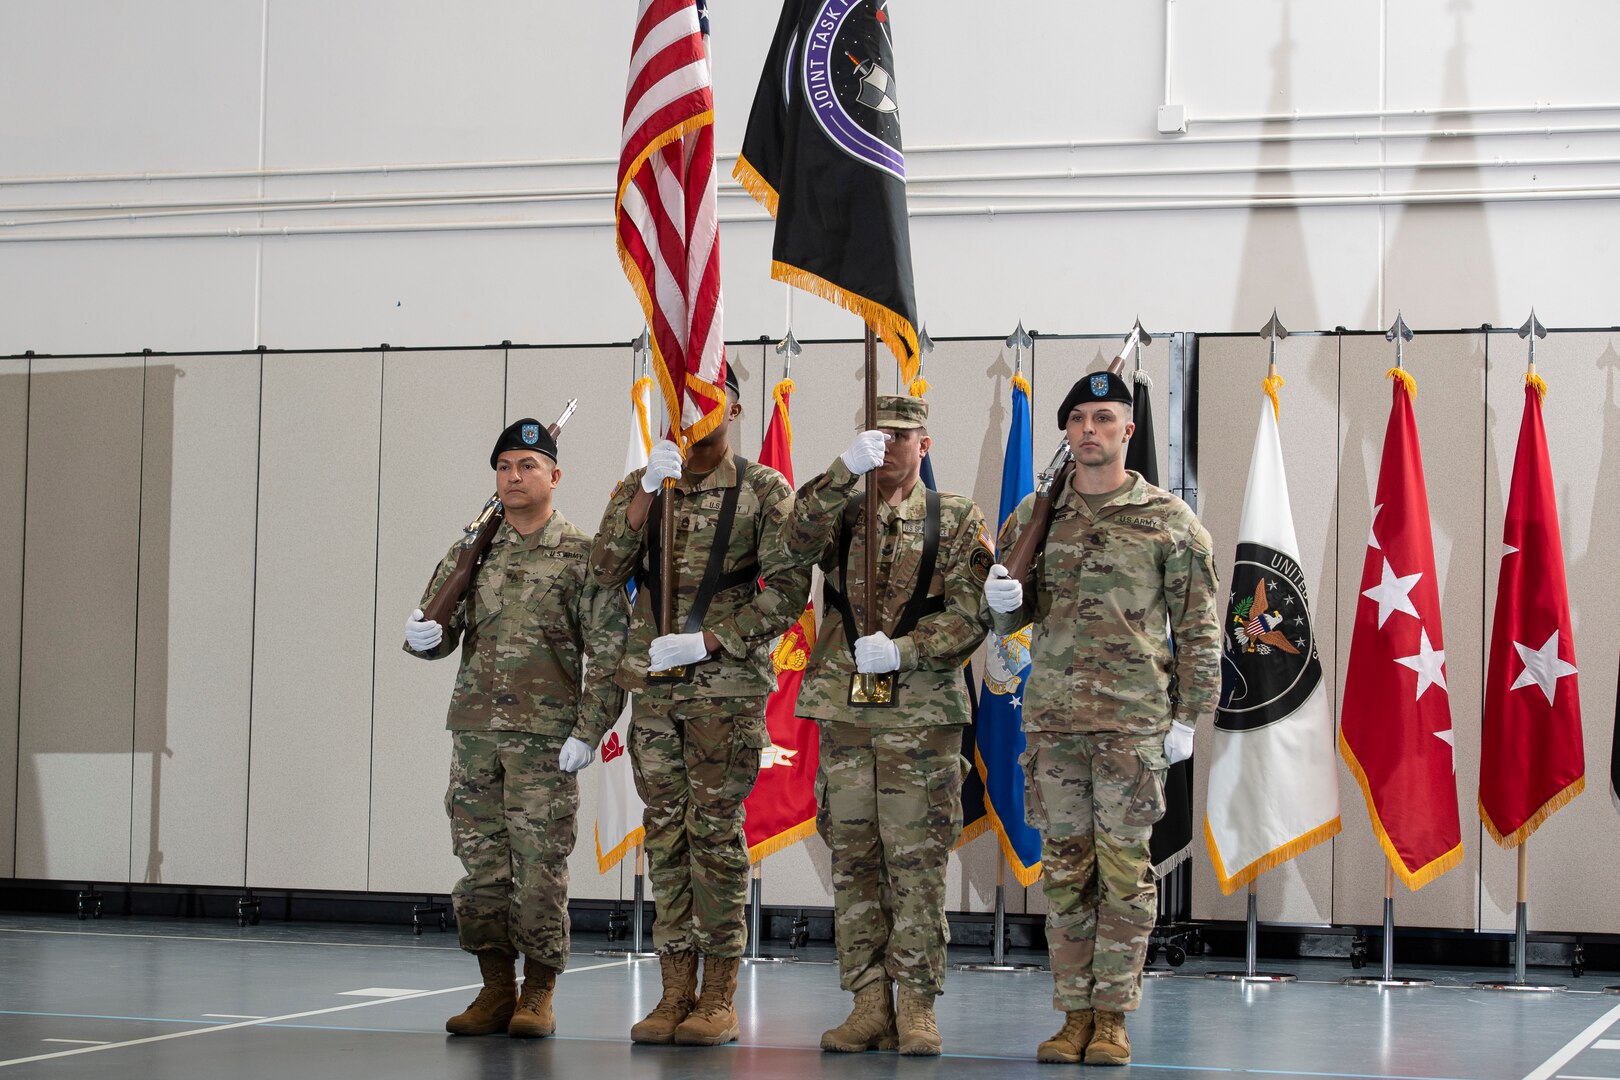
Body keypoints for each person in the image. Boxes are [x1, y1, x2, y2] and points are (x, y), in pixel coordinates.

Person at [982, 371, 1220, 1066]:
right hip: (1054, 724)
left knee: (1123, 875)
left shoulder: (1167, 519)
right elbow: (1010, 617)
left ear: (1128, 430)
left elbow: (1200, 630)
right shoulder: (1034, 516)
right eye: (1079, 418)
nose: (1090, 429)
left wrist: (1187, 720)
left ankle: (1112, 1016)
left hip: (1132, 726)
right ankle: (1073, 1014)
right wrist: (998, 597)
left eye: (1104, 418)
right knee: (1065, 874)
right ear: (1067, 432)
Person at [588, 364, 810, 1047]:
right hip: (655, 694)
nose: (690, 415)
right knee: (666, 836)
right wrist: (646, 493)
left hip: (725, 693)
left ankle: (717, 994)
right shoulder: (644, 485)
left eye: (706, 402)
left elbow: (789, 590)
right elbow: (601, 570)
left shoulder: (762, 488)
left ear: (733, 410)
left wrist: (713, 640)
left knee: (713, 835)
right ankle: (672, 989)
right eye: (678, 402)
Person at [403, 416, 626, 1040]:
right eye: (504, 466)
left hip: (545, 742)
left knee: (539, 871)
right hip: (476, 736)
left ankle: (539, 993)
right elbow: (436, 633)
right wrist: (423, 637)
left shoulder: (583, 556)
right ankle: (495, 988)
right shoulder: (471, 548)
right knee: (480, 871)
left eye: (528, 466)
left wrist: (589, 730)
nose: (514, 477)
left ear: (555, 476)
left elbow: (608, 655)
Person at [781, 395, 992, 1057]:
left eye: (903, 437)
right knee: (854, 862)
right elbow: (792, 542)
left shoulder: (954, 517)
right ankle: (868, 1002)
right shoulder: (842, 508)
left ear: (924, 445)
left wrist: (906, 651)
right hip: (847, 714)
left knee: (917, 864)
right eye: (878, 436)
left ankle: (917, 1006)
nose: (891, 447)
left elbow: (973, 613)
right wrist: (841, 470)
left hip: (922, 717)